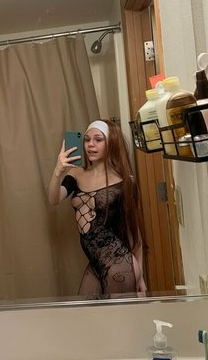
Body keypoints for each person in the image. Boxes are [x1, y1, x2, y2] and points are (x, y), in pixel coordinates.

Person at [48, 119, 147, 297]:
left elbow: (135, 232)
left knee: (117, 316)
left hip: (119, 264)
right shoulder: (76, 174)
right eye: (87, 139)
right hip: (96, 264)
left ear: (111, 143)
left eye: (98, 139)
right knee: (87, 312)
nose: (90, 144)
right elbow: (54, 199)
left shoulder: (125, 181)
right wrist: (58, 171)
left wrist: (140, 276)